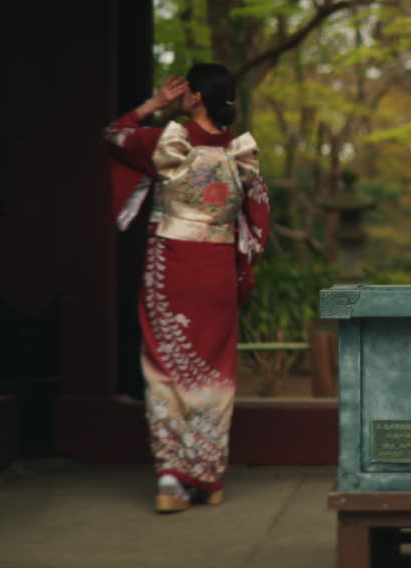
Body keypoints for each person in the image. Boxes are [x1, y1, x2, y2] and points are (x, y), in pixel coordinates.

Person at [104, 63, 271, 513]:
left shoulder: (165, 141)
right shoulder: (241, 154)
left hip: (171, 267)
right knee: (215, 372)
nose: (178, 97)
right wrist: (240, 265)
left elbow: (115, 133)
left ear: (195, 97)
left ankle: (171, 480)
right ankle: (210, 477)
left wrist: (152, 105)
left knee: (164, 363)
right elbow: (256, 225)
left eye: (184, 91)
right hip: (216, 268)